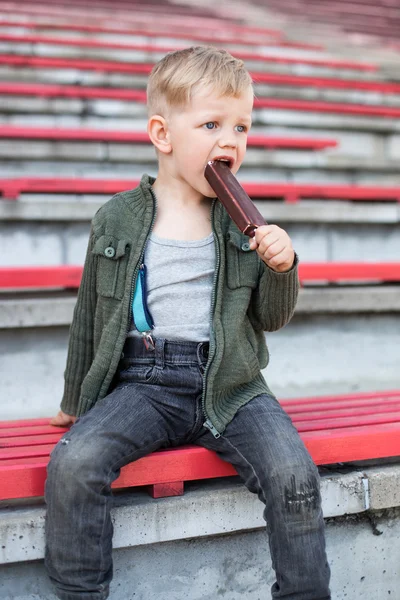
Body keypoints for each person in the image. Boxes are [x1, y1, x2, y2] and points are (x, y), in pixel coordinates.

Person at [45, 45, 331, 600]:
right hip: (145, 383)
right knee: (75, 463)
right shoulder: (118, 217)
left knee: (295, 476)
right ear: (162, 133)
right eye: (212, 124)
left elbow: (271, 318)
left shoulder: (244, 223)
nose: (231, 141)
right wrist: (73, 401)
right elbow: (89, 314)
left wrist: (283, 266)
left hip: (233, 384)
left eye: (242, 127)